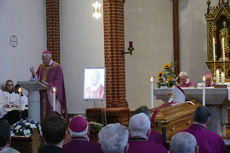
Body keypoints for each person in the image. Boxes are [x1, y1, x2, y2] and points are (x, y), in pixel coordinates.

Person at [29, 50, 68, 119]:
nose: (43, 61)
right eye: (43, 59)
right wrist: (33, 74)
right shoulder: (41, 67)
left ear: (50, 58)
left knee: (50, 112)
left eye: (45, 59)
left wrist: (49, 84)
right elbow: (37, 78)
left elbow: (59, 81)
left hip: (51, 94)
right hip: (41, 94)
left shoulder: (57, 67)